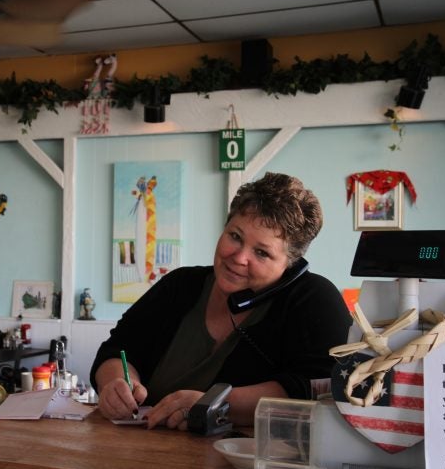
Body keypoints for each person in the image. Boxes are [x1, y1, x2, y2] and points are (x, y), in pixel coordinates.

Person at [90, 172, 351, 431]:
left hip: (243, 467)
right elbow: (117, 350)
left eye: (261, 252)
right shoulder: (179, 284)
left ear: (290, 264)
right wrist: (114, 383)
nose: (238, 257)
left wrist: (214, 405)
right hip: (142, 456)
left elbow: (323, 386)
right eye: (235, 236)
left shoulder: (315, 299)